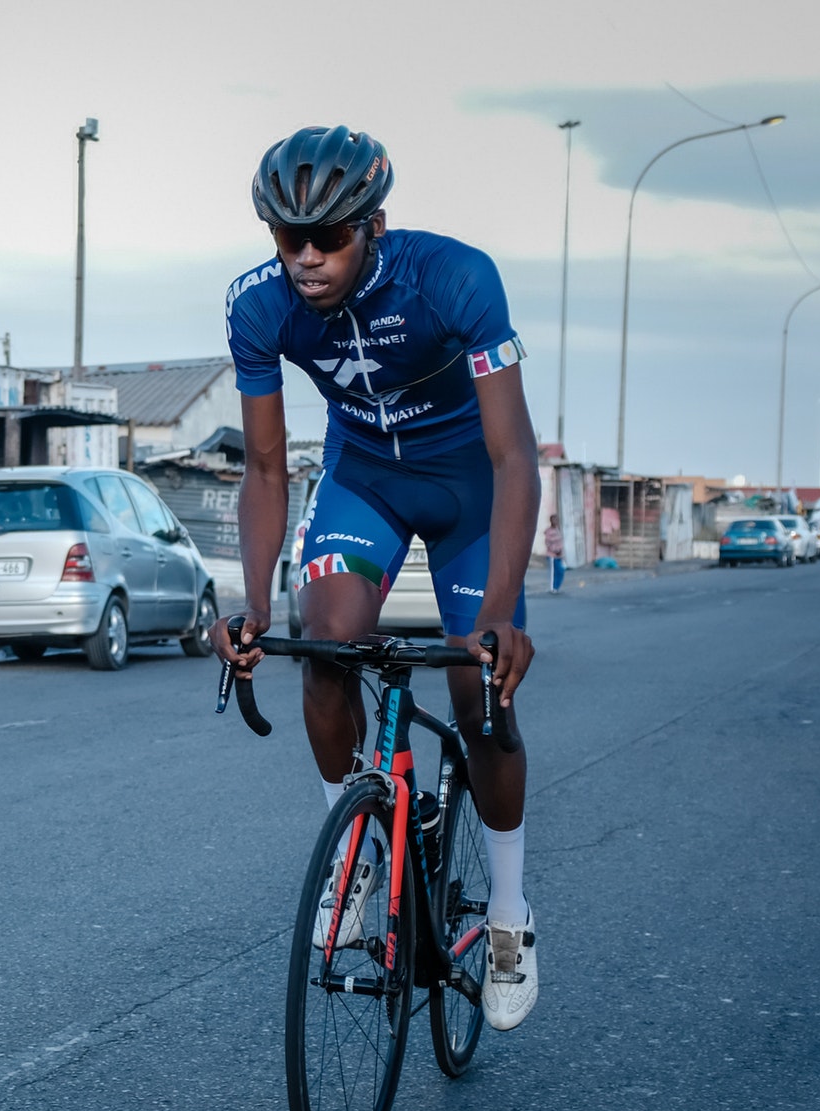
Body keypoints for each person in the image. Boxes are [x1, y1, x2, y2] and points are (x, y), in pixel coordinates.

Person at [212, 126, 540, 1031]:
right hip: (366, 483)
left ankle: (510, 915)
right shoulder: (256, 310)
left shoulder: (456, 279)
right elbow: (267, 472)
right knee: (324, 648)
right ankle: (356, 849)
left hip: (471, 490)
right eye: (288, 240)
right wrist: (250, 604)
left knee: (482, 700)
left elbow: (517, 459)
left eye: (330, 238)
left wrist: (504, 616)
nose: (308, 259)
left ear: (375, 226)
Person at [545, 514, 566, 593]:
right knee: (553, 573)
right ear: (551, 521)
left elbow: (560, 542)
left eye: (557, 520)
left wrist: (560, 551)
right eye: (554, 520)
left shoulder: (558, 530)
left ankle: (556, 587)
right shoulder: (549, 531)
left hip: (559, 555)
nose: (555, 521)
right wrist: (555, 550)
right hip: (552, 555)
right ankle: (552, 588)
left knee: (560, 571)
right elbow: (548, 543)